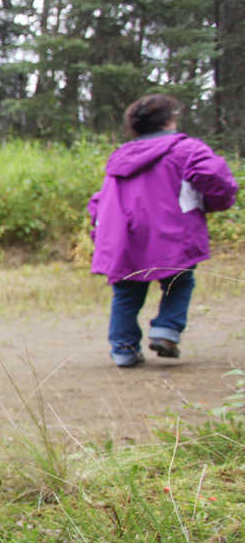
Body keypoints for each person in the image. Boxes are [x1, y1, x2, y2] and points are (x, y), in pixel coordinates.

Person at [88, 94, 238, 367]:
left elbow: (102, 199)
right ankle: (166, 331)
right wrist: (214, 202)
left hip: (125, 235)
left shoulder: (121, 156)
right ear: (169, 120)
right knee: (179, 281)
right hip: (171, 233)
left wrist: (100, 233)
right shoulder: (186, 149)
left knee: (126, 292)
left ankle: (123, 349)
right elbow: (217, 179)